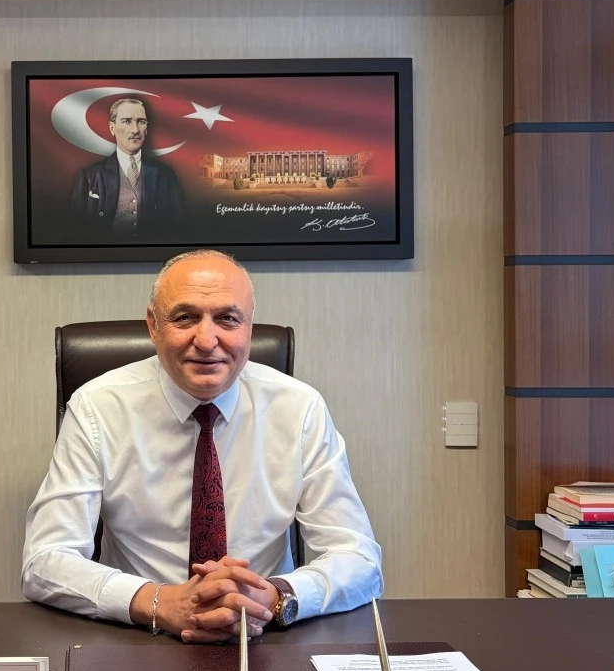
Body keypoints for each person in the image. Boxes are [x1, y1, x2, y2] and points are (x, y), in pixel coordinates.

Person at [21, 250, 382, 642]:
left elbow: (360, 559)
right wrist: (159, 601)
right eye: (185, 317)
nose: (207, 341)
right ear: (153, 326)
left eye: (227, 318)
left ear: (249, 327)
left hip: (265, 634)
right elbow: (45, 561)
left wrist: (277, 597)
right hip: (139, 636)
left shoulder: (300, 409)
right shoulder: (98, 408)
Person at [68, 96, 185, 238]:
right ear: (112, 128)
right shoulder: (89, 176)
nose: (135, 129)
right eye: (127, 121)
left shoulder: (165, 175)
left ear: (146, 129)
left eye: (141, 122)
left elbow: (177, 227)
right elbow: (76, 230)